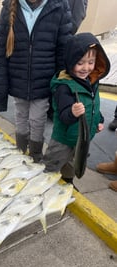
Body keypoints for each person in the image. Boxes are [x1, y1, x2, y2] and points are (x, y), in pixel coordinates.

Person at [0, 0, 72, 162]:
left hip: (44, 80)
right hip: (18, 78)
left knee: (37, 119)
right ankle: (20, 151)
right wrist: (0, 91)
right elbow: (1, 50)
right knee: (21, 115)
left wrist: (61, 86)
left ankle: (35, 154)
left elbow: (63, 50)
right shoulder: (9, 7)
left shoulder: (59, 6)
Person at [42, 32, 110, 183]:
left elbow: (93, 105)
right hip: (64, 139)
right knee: (52, 163)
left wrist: (98, 119)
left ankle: (68, 181)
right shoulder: (64, 86)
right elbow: (63, 116)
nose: (86, 68)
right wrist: (72, 112)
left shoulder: (92, 81)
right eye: (80, 63)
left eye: (91, 62)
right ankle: (42, 183)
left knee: (72, 164)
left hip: (82, 140)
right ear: (70, 61)